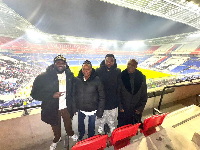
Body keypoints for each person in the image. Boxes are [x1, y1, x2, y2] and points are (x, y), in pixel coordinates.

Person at [31, 55, 78, 150]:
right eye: (58, 62)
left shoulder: (70, 75)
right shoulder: (43, 77)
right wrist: (51, 95)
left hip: (66, 106)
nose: (60, 64)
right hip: (52, 107)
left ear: (65, 64)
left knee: (68, 122)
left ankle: (70, 133)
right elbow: (34, 94)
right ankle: (57, 138)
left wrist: (74, 106)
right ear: (54, 64)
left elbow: (74, 92)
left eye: (63, 63)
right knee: (55, 125)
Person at [75, 60, 105, 141]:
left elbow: (102, 96)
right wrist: (74, 107)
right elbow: (75, 94)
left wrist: (100, 111)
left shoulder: (97, 80)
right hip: (81, 108)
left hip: (93, 109)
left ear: (91, 70)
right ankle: (81, 135)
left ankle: (90, 138)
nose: (85, 71)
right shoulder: (78, 80)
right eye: (84, 69)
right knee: (80, 125)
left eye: (87, 69)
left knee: (91, 126)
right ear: (82, 70)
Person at [96, 54, 122, 134]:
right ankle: (101, 126)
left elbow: (119, 85)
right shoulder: (98, 71)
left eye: (111, 61)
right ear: (104, 61)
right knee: (102, 115)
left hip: (113, 98)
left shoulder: (118, 71)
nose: (109, 63)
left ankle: (111, 125)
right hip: (102, 98)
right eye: (107, 61)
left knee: (112, 115)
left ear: (114, 62)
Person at [118, 59, 148, 127]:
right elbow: (117, 93)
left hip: (136, 110)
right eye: (129, 64)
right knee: (123, 129)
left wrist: (140, 108)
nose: (130, 66)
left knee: (134, 129)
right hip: (124, 109)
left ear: (136, 66)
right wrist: (120, 107)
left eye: (133, 65)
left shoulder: (142, 77)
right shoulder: (121, 76)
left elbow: (144, 94)